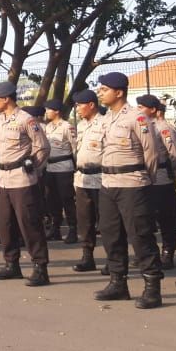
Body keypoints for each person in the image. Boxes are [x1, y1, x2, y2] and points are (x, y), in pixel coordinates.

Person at [93, 72, 164, 309]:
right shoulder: (104, 119)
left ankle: (152, 287)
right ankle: (118, 283)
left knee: (140, 235)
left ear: (119, 92)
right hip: (108, 183)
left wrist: (147, 180)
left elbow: (151, 153)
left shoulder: (138, 118)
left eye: (104, 89)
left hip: (132, 183)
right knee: (111, 234)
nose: (100, 93)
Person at [0, 83, 51, 285]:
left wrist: (33, 167)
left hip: (22, 179)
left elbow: (42, 147)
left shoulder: (26, 119)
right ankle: (11, 264)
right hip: (3, 178)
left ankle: (40, 267)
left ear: (6, 98)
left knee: (29, 223)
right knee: (5, 224)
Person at [136, 95, 176, 270]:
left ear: (153, 110)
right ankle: (150, 253)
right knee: (145, 218)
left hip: (162, 178)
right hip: (144, 178)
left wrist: (171, 175)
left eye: (142, 107)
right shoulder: (141, 126)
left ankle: (168, 252)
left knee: (166, 218)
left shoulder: (164, 128)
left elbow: (175, 156)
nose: (138, 110)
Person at [71, 90, 104, 272]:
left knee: (106, 221)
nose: (77, 109)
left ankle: (112, 259)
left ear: (91, 105)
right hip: (83, 179)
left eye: (80, 105)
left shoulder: (105, 123)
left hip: (101, 178)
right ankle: (87, 256)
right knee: (85, 219)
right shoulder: (82, 125)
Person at [42, 99, 77, 243]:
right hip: (50, 168)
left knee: (67, 199)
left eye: (48, 109)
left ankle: (73, 229)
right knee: (52, 199)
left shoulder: (67, 127)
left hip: (64, 167)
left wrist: (76, 166)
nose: (46, 112)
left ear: (56, 111)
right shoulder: (47, 127)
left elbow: (75, 147)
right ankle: (55, 229)